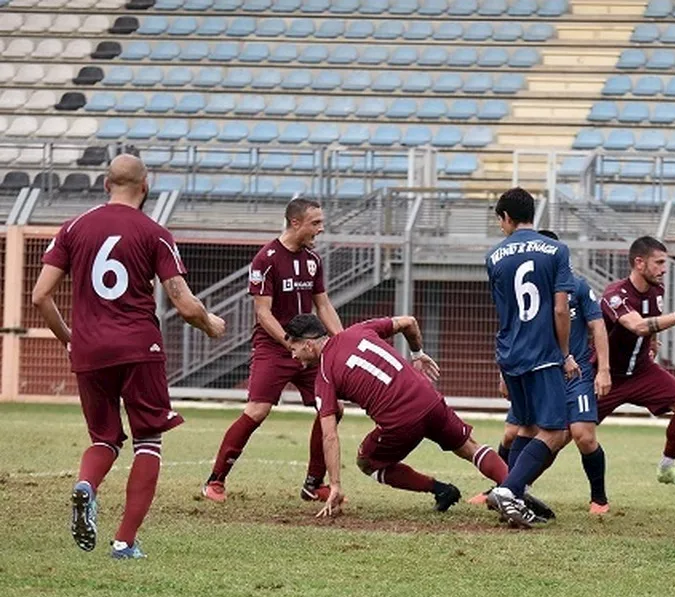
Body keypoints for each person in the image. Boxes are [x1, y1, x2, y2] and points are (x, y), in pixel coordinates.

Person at [30, 154, 226, 559]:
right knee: (148, 442)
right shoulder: (154, 233)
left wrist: (70, 338)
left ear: (105, 186)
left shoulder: (73, 228)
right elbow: (185, 305)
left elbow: (40, 296)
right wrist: (211, 325)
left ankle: (86, 486)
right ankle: (124, 542)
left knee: (103, 438)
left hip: (89, 348)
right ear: (145, 186)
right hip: (139, 347)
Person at [283, 314, 510, 518]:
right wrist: (418, 354)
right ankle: (514, 490)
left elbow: (329, 435)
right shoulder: (358, 330)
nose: (293, 355)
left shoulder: (324, 375)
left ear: (309, 345)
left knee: (368, 461)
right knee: (469, 447)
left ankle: (439, 489)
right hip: (428, 398)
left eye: (294, 348)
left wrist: (335, 484)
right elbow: (409, 322)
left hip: (401, 421)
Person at [202, 198, 344, 503]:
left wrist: (342, 340)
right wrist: (289, 343)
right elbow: (263, 314)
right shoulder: (266, 259)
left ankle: (312, 484)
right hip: (274, 346)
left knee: (333, 410)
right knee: (257, 410)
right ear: (295, 223)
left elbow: (323, 304)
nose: (321, 228)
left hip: (307, 349)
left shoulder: (312, 260)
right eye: (315, 223)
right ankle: (215, 480)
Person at [492, 230, 613, 514]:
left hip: (575, 373)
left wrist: (603, 369)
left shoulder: (578, 288)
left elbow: (597, 326)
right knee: (516, 432)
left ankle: (599, 499)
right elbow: (511, 329)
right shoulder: (532, 293)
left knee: (581, 435)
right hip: (539, 370)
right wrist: (503, 373)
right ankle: (509, 489)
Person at [484, 188, 576, 527]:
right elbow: (561, 309)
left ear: (506, 218)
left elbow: (504, 311)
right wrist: (564, 354)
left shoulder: (494, 256)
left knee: (525, 426)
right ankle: (509, 490)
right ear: (531, 214)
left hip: (510, 353)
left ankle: (512, 494)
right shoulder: (555, 250)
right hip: (542, 355)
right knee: (554, 431)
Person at [598, 236, 675, 490]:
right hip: (607, 375)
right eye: (659, 262)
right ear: (639, 263)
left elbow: (649, 323)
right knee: (565, 433)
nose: (664, 269)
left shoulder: (657, 291)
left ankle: (666, 467)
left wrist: (652, 342)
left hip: (641, 371)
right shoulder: (615, 295)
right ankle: (517, 485)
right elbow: (638, 325)